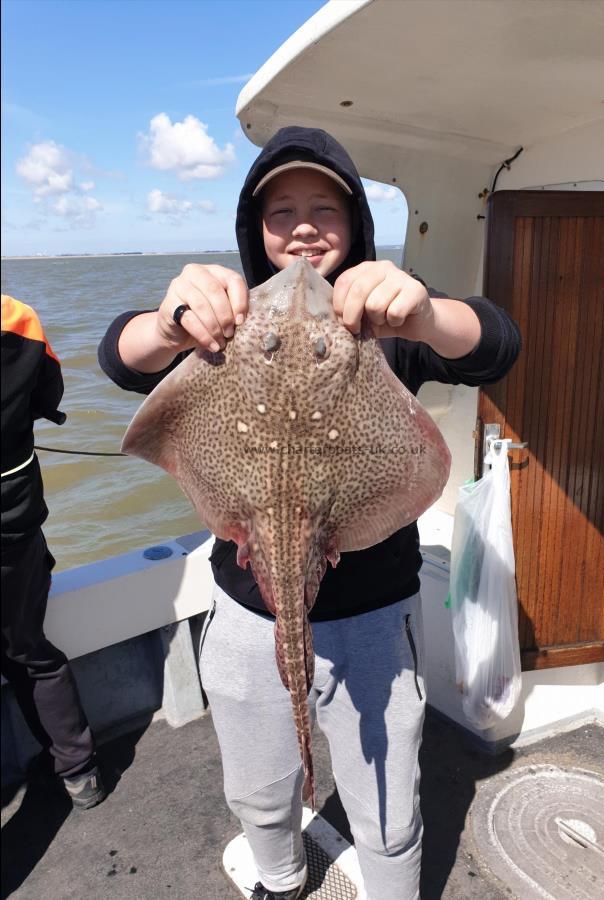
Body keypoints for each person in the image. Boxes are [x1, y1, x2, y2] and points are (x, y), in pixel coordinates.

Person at [98, 126, 520, 899]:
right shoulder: (222, 326)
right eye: (280, 209)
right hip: (246, 609)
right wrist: (168, 324)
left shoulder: (378, 323)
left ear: (355, 225)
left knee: (386, 799)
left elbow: (495, 343)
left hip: (371, 619)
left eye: (324, 208)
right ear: (252, 231)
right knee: (259, 787)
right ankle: (280, 876)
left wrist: (423, 316)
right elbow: (118, 356)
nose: (301, 225)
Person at [1, 294, 106, 810]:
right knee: (30, 652)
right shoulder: (16, 318)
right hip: (15, 527)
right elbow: (49, 395)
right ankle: (79, 773)